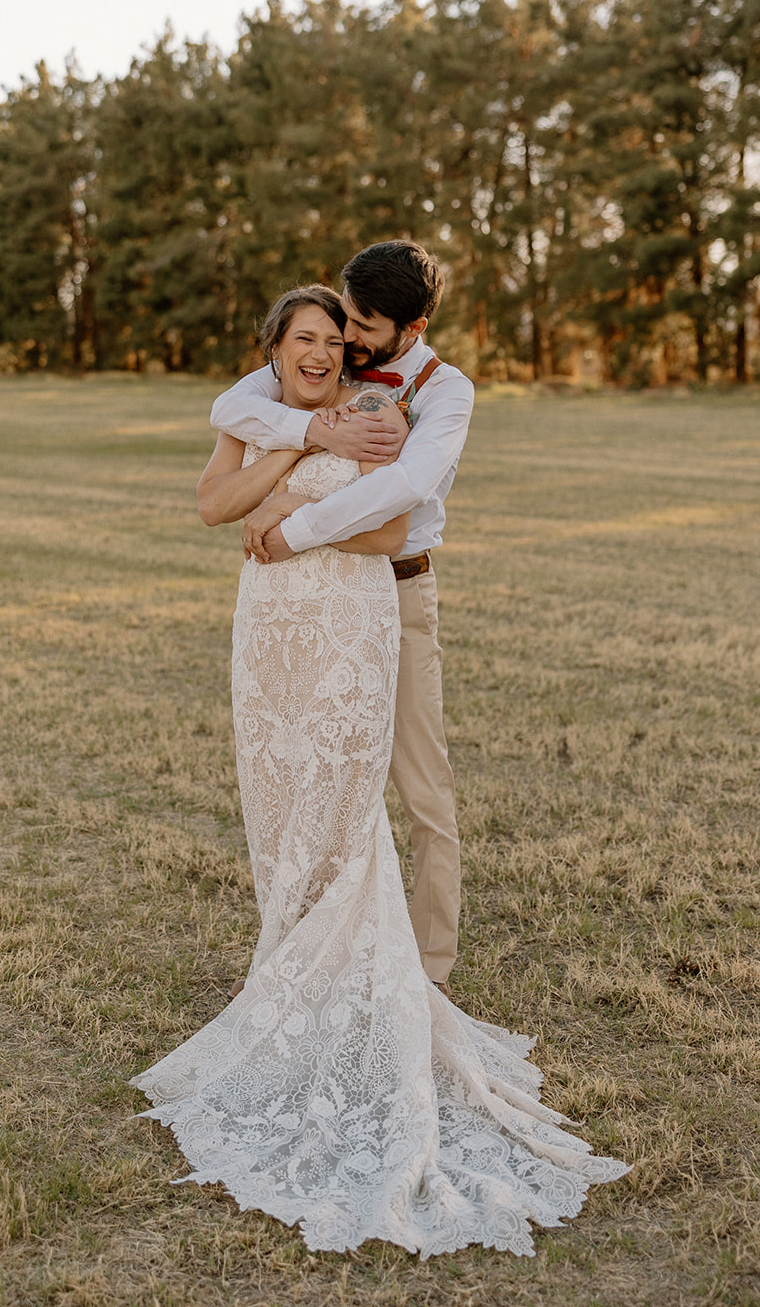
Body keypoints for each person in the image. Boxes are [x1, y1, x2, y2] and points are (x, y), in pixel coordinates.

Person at [131, 285, 629, 1257]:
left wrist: (288, 503)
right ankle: (282, 983)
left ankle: (381, 998)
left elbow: (396, 526)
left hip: (349, 622)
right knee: (276, 804)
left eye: (337, 334)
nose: (327, 348)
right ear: (273, 346)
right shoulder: (268, 411)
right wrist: (291, 449)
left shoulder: (378, 410)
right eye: (307, 336)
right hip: (268, 628)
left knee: (346, 807)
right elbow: (208, 505)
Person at [209, 241, 469, 993]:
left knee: (422, 790)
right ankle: (314, 955)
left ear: (410, 329)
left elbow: (408, 488)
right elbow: (230, 406)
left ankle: (428, 973)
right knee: (309, 778)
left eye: (359, 325)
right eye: (340, 319)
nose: (344, 339)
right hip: (309, 605)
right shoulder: (334, 363)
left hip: (396, 587)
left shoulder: (446, 391)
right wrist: (311, 436)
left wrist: (294, 519)